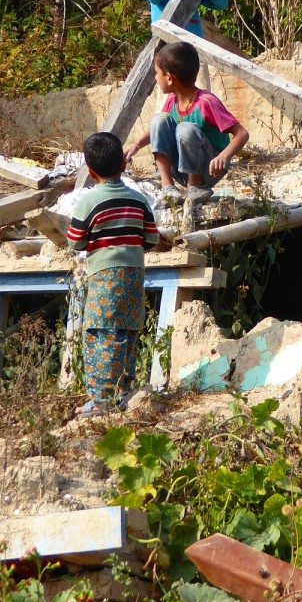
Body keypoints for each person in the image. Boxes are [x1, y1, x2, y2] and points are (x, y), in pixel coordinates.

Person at [66, 131, 160, 416]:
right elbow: (153, 239)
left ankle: (101, 401)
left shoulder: (88, 202)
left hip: (104, 277)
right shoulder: (138, 200)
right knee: (127, 332)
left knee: (101, 334)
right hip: (133, 275)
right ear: (124, 164)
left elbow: (74, 240)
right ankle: (124, 392)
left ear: (91, 171)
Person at [124, 41, 249, 205]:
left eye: (157, 73)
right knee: (159, 120)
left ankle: (195, 186)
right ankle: (168, 187)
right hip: (181, 169)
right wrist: (137, 145)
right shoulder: (172, 101)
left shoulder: (206, 102)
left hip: (209, 169)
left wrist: (223, 157)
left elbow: (242, 133)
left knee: (185, 129)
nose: (155, 78)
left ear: (169, 78)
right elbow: (157, 130)